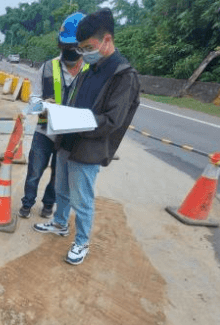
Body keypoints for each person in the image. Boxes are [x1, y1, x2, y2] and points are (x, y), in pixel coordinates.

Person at [33, 8, 140, 266]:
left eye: (88, 47)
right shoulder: (88, 70)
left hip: (88, 149)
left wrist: (75, 121)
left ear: (107, 39)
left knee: (82, 199)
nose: (84, 53)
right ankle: (60, 223)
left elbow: (112, 121)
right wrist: (56, 110)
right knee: (61, 189)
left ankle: (81, 241)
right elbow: (74, 101)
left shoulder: (123, 76)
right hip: (67, 141)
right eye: (80, 48)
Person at [18, 12, 88, 220]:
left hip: (69, 137)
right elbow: (32, 102)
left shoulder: (90, 72)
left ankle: (49, 204)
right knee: (34, 173)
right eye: (66, 47)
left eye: (74, 47)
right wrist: (42, 105)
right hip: (44, 132)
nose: (69, 51)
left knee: (58, 177)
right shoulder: (47, 67)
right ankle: (27, 203)